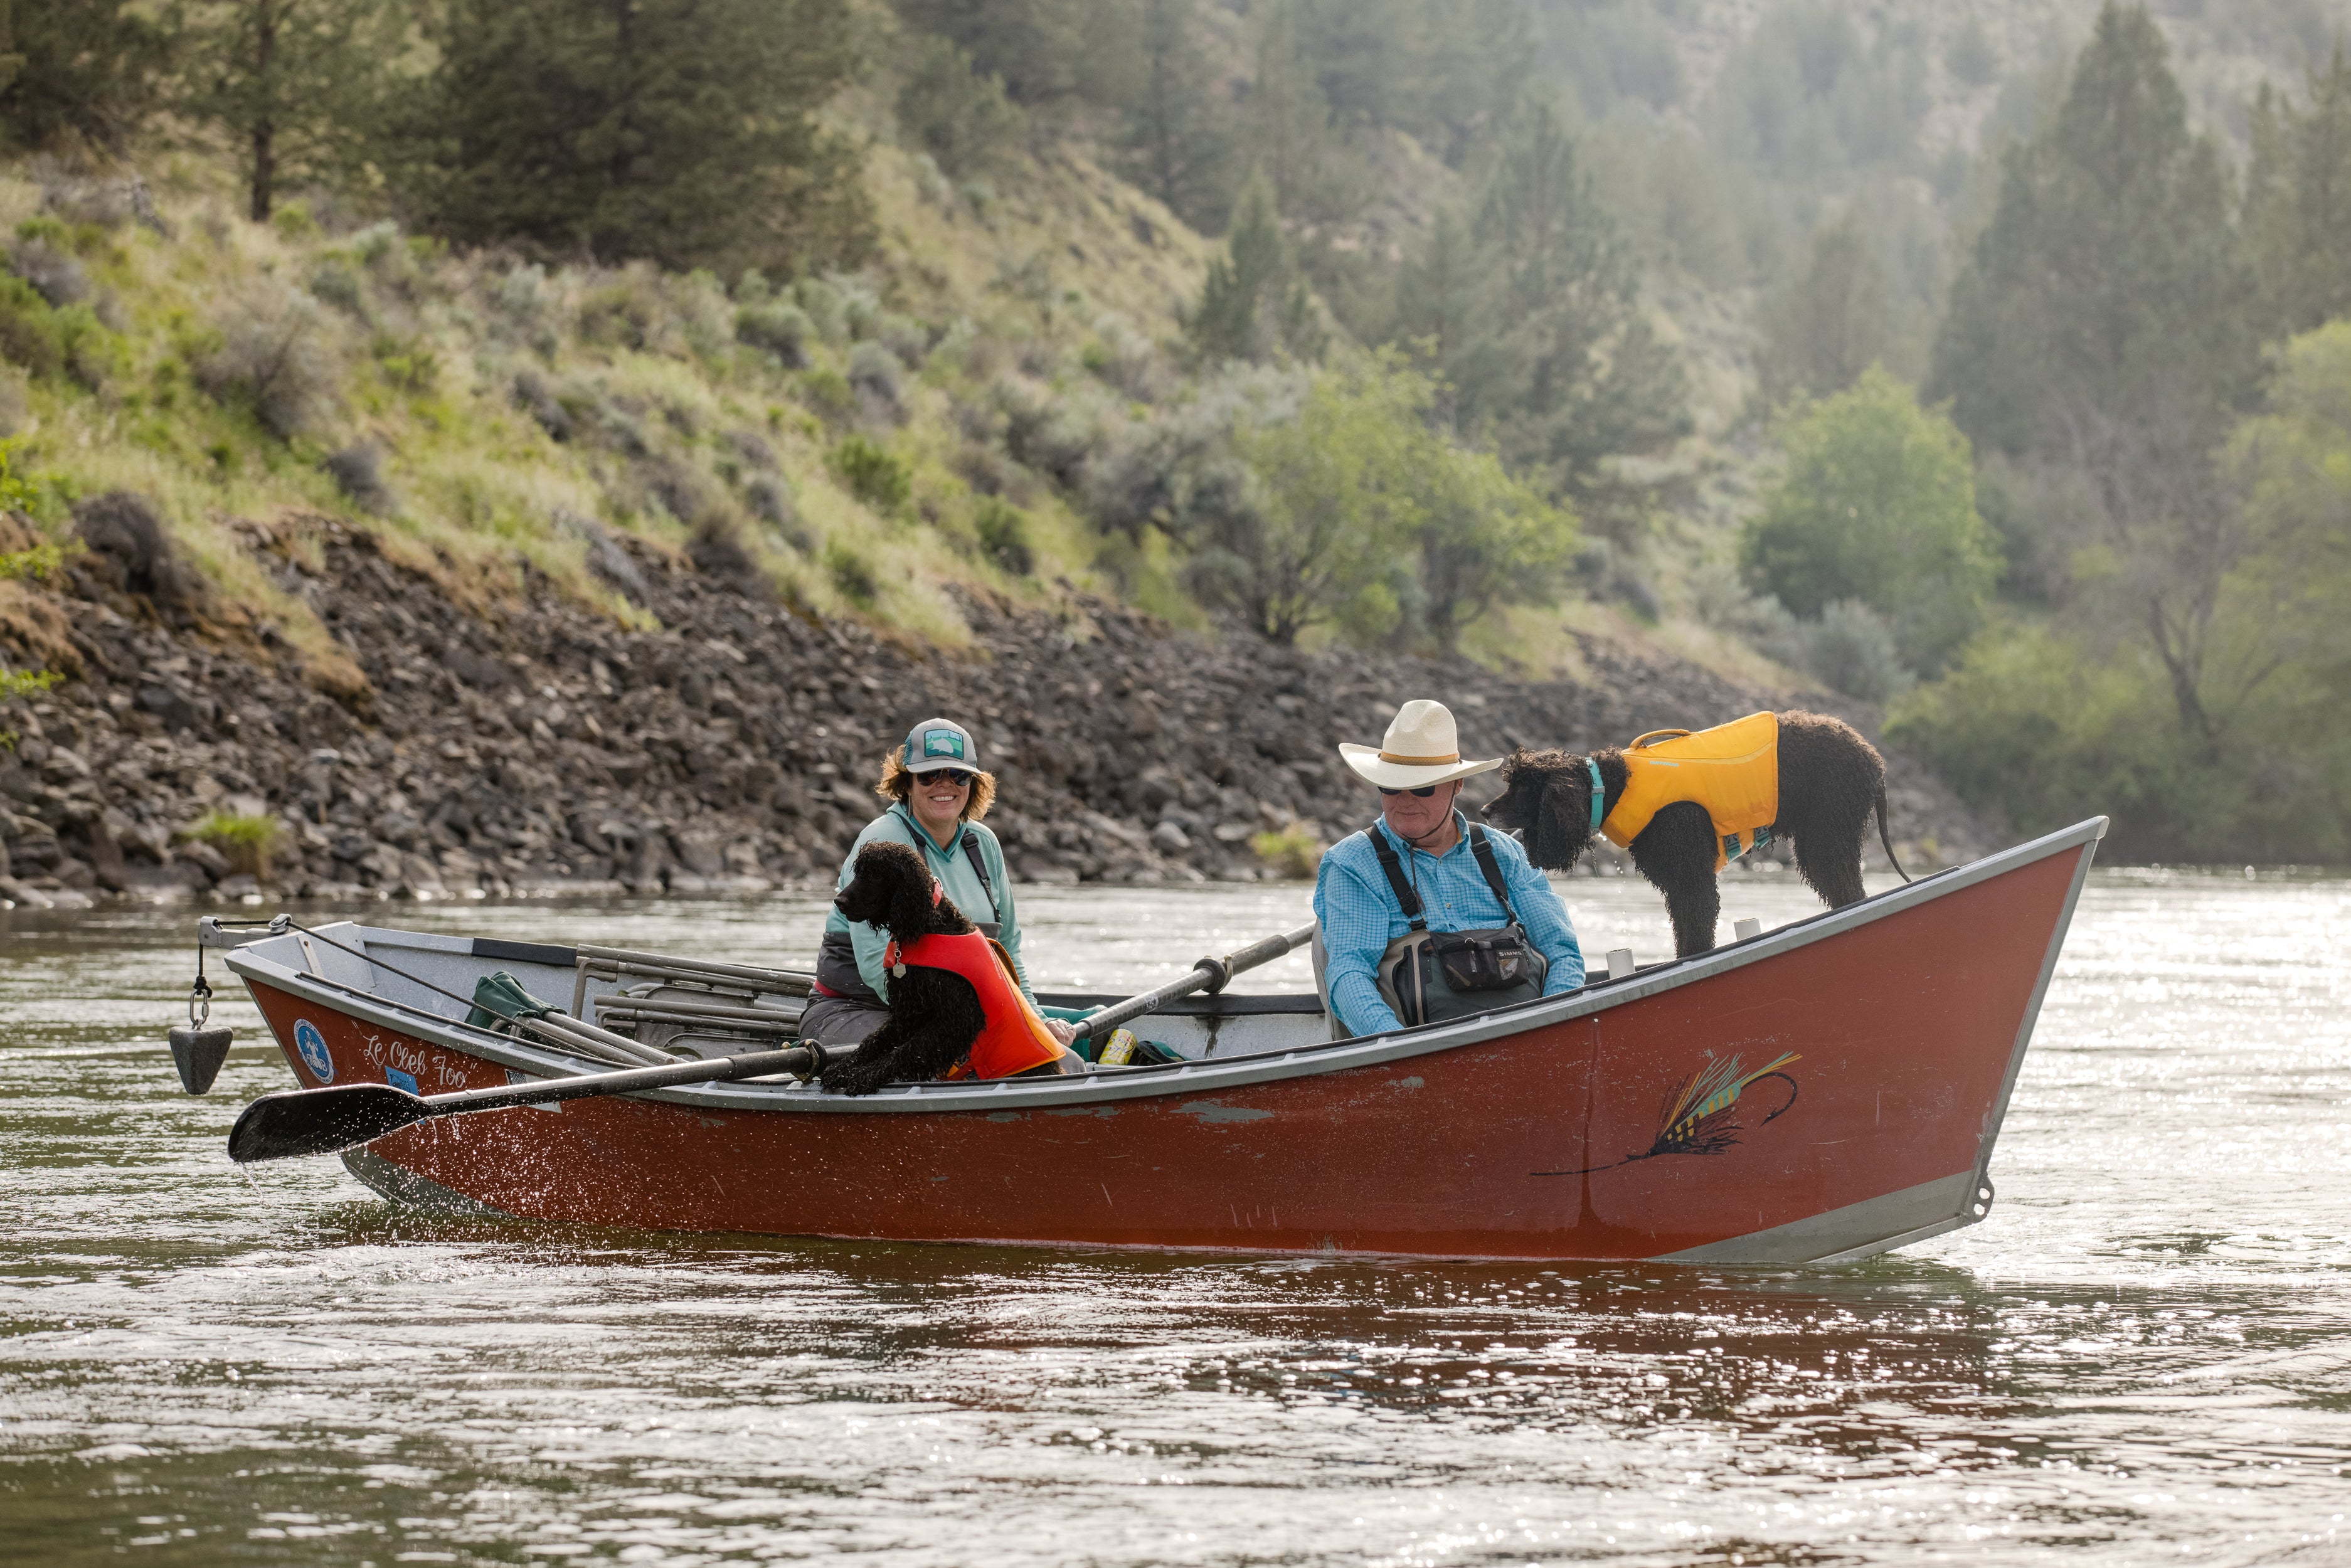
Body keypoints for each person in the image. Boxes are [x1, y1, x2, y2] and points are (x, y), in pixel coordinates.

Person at [805, 717, 1081, 1051]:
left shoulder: (984, 844)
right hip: (856, 1009)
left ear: (973, 783)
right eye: (929, 775)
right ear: (906, 783)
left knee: (1075, 1036)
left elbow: (1007, 948)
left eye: (958, 774)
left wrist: (1034, 1019)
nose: (944, 784)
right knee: (954, 1057)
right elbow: (877, 967)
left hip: (960, 1010)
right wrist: (966, 1028)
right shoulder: (883, 843)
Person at [1312, 699, 1584, 1037]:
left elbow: (1562, 954)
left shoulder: (1507, 854)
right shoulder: (1352, 863)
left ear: (1458, 785)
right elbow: (1348, 975)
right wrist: (1399, 1050)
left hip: (1530, 1042)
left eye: (1422, 788)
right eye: (1391, 786)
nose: (1405, 800)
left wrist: (1551, 1030)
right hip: (1412, 1054)